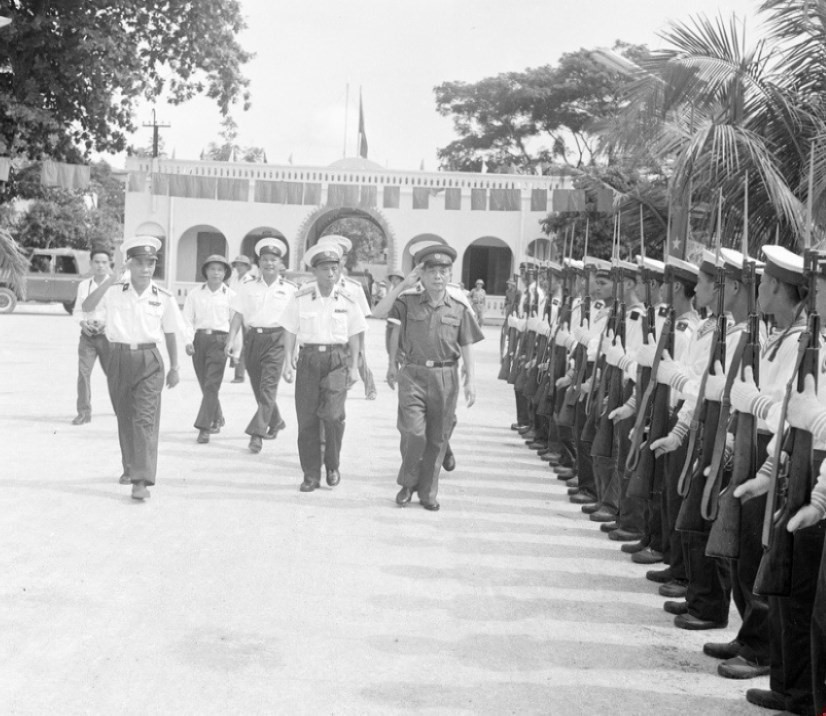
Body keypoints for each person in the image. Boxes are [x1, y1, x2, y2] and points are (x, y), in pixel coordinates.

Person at [81, 235, 183, 501]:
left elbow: (171, 332)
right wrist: (110, 280)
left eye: (150, 263)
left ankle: (141, 480)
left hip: (149, 359)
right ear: (129, 265)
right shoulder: (114, 291)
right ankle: (130, 467)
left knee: (144, 420)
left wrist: (175, 366)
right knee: (125, 417)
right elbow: (87, 307)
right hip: (118, 357)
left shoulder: (163, 297)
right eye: (139, 263)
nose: (145, 269)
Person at [386, 242, 484, 511]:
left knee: (437, 438)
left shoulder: (460, 307)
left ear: (450, 275)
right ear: (422, 274)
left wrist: (470, 380)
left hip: (446, 376)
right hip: (413, 373)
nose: (438, 277)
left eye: (444, 272)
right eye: (432, 272)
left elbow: (466, 346)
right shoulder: (406, 301)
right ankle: (407, 483)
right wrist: (392, 364)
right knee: (414, 433)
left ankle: (428, 492)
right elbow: (382, 315)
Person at [281, 243, 364, 492]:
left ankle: (332, 463)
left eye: (335, 269)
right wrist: (288, 359)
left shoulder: (348, 299)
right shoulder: (301, 297)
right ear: (314, 271)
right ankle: (310, 475)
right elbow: (289, 329)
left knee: (333, 415)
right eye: (326, 269)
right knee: (306, 420)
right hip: (308, 360)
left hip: (337, 360)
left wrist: (354, 366)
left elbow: (356, 333)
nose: (331, 274)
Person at [226, 238, 297, 454]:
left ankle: (257, 434)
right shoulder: (247, 287)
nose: (269, 263)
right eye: (265, 259)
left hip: (276, 340)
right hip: (253, 340)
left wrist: (290, 356)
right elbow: (238, 314)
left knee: (268, 388)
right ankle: (275, 420)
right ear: (259, 263)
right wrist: (231, 339)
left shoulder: (291, 290)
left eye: (273, 260)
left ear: (280, 263)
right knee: (259, 388)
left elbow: (292, 325)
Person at [315, 235, 377, 400]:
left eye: (341, 257)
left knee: (359, 356)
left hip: (349, 330)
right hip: (327, 330)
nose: (337, 261)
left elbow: (362, 316)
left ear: (344, 260)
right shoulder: (315, 286)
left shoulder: (353, 287)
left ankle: (370, 387)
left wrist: (360, 338)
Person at [182, 255, 235, 444]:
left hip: (220, 341)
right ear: (205, 271)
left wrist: (233, 345)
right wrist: (188, 341)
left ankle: (204, 427)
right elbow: (187, 319)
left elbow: (235, 323)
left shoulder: (230, 296)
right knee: (206, 385)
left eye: (220, 270)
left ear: (225, 274)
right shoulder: (195, 294)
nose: (215, 273)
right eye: (212, 269)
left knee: (212, 384)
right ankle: (218, 417)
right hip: (200, 340)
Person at [71, 245, 112, 425]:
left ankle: (121, 408)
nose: (100, 266)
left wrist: (106, 325)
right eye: (97, 262)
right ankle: (83, 412)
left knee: (114, 374)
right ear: (90, 263)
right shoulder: (84, 285)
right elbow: (78, 311)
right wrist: (83, 323)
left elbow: (118, 312)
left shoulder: (115, 286)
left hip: (108, 337)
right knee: (83, 373)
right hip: (87, 336)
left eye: (104, 262)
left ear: (109, 264)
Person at [228, 255, 255, 383]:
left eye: (242, 265)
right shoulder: (233, 279)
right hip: (232, 313)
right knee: (233, 342)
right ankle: (237, 368)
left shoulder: (249, 281)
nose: (239, 267)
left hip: (244, 315)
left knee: (242, 344)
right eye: (237, 265)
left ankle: (239, 374)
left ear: (247, 267)